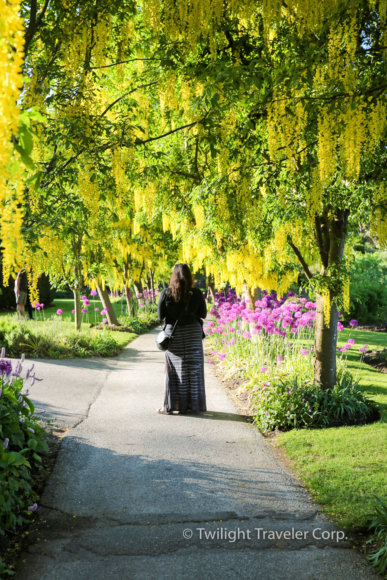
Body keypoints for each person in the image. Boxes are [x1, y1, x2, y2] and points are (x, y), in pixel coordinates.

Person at [157, 263, 207, 414]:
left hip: (174, 335)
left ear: (173, 276)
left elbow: (160, 316)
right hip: (193, 334)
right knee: (194, 370)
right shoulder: (196, 293)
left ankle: (173, 406)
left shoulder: (166, 293)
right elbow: (203, 314)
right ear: (190, 276)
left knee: (173, 371)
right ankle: (194, 406)